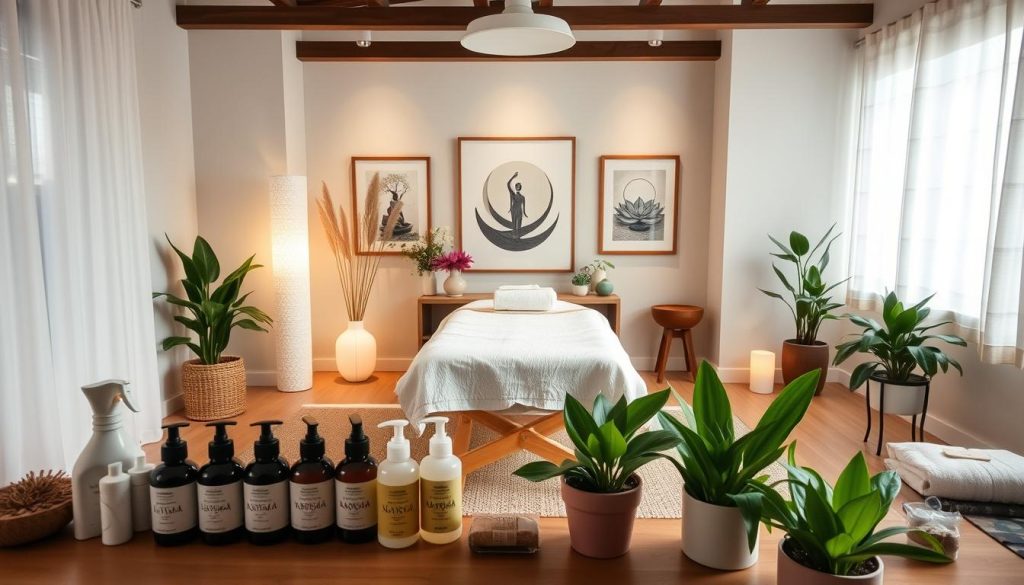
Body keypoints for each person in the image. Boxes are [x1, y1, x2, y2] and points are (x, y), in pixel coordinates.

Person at [506, 171, 528, 239]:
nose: (518, 187)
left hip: (519, 211)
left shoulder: (522, 197)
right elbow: (508, 184)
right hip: (514, 210)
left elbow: (523, 206)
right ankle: (514, 237)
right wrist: (513, 176)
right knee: (514, 224)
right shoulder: (513, 194)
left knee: (519, 225)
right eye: (517, 186)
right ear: (515, 187)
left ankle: (517, 237)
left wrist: (524, 212)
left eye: (519, 186)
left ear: (520, 187)